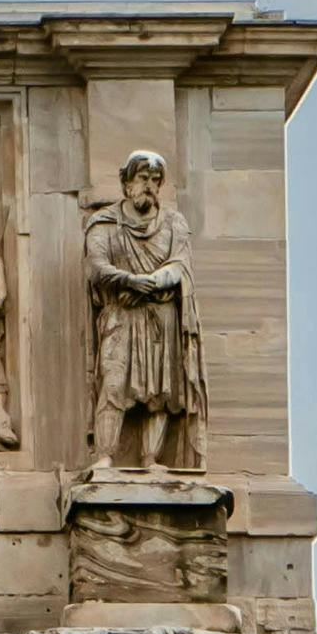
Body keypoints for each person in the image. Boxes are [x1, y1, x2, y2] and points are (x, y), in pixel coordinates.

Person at [84, 148, 207, 471]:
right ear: (127, 184)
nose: (150, 186)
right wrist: (129, 280)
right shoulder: (105, 222)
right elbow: (96, 266)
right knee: (112, 385)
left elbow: (180, 264)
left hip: (160, 316)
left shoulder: (173, 223)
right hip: (120, 316)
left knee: (161, 392)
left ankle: (151, 458)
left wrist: (149, 283)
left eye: (155, 180)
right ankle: (106, 455)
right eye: (143, 178)